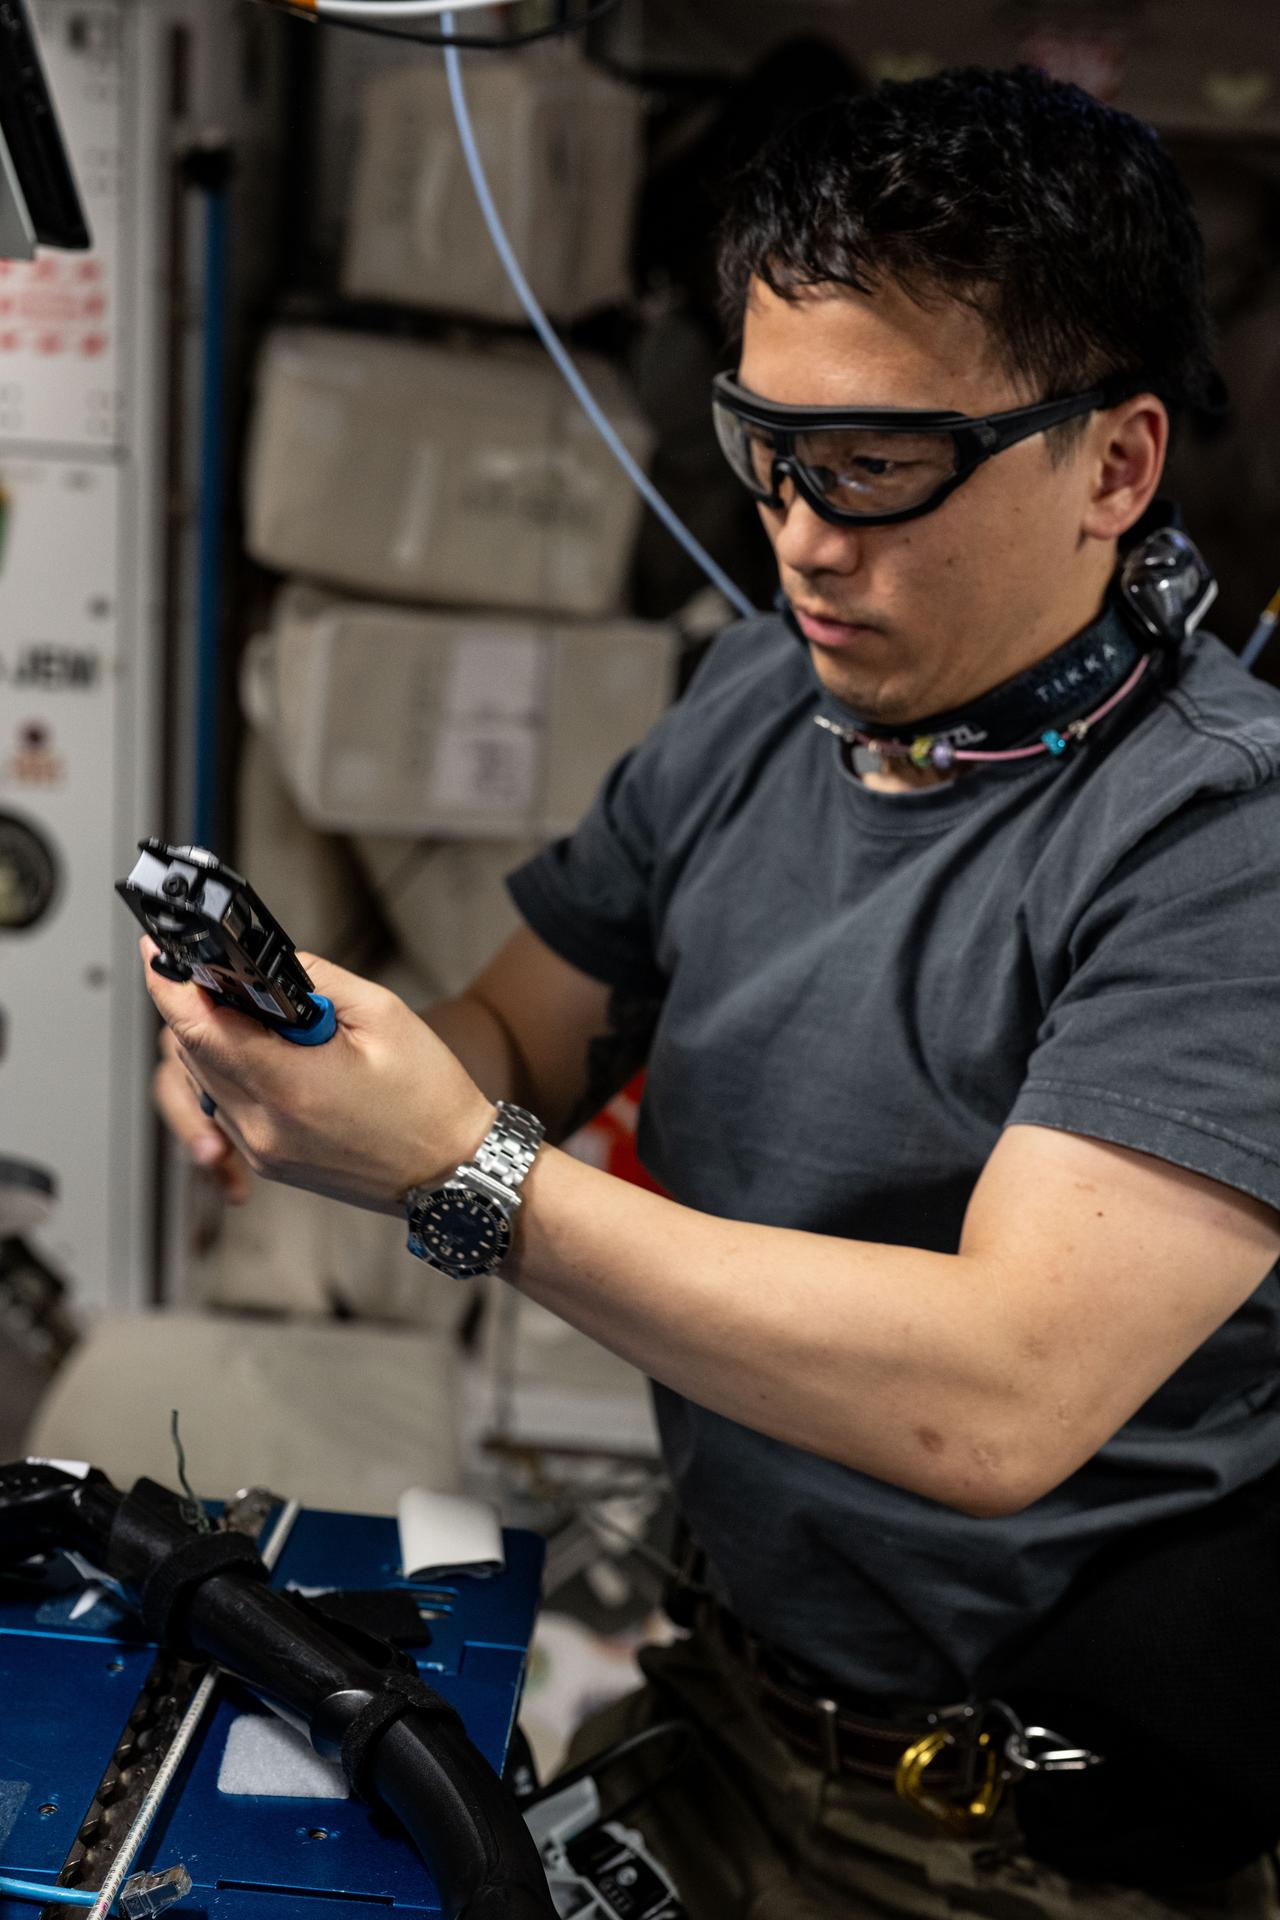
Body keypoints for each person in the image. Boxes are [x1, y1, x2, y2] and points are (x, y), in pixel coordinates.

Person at [149, 65, 1280, 1920]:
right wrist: (304, 1067)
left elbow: (1000, 1401)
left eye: (882, 468)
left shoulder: (1220, 841)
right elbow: (521, 1028)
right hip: (725, 1708)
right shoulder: (769, 704)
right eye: (770, 448)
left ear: (1117, 464)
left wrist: (463, 1175)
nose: (807, 535)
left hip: (1017, 1836)